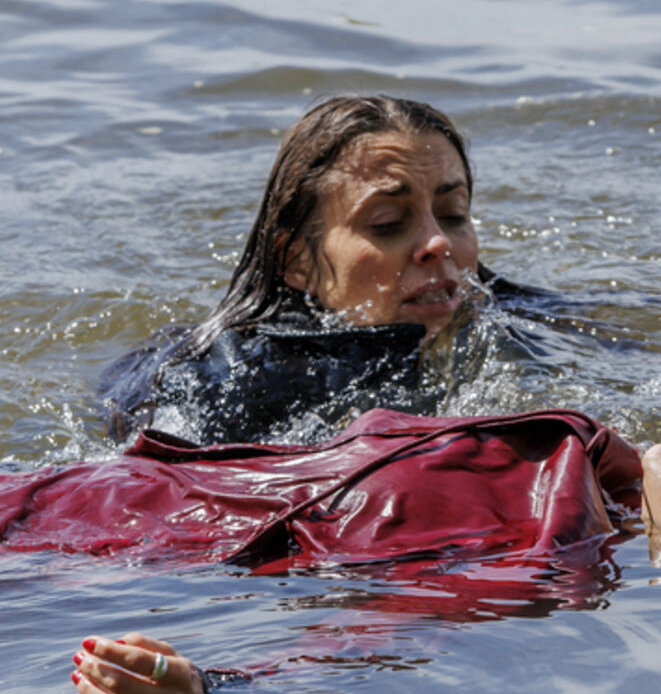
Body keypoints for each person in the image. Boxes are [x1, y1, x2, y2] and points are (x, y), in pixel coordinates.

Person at [12, 412, 661, 694]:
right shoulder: (591, 462)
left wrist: (212, 685)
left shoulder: (545, 557)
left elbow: (375, 643)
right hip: (63, 483)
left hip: (45, 543)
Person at [99, 95, 558, 444]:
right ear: (296, 261)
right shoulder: (236, 388)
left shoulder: (507, 315)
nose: (439, 243)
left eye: (454, 214)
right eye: (388, 224)